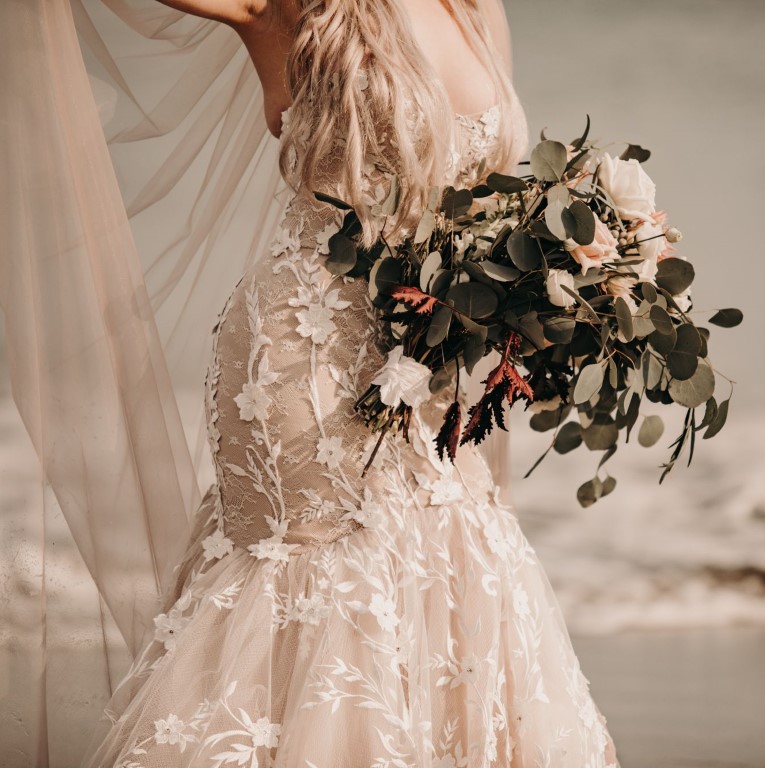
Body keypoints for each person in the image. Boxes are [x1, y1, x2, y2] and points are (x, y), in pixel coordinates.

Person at [81, 0, 620, 765]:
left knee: (451, 555)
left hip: (430, 348)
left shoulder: (475, 9)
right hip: (308, 352)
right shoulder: (292, 7)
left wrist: (562, 280)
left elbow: (493, 199)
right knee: (319, 575)